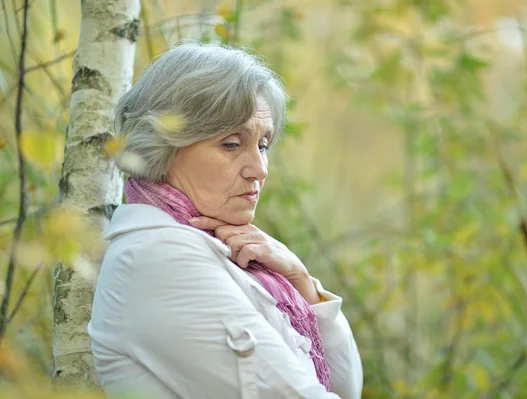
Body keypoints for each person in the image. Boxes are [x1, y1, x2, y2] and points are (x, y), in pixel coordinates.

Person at [87, 42, 363, 399]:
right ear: (163, 146)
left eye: (262, 145)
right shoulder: (158, 256)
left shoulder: (214, 247)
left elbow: (347, 387)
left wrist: (300, 282)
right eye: (232, 144)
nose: (259, 169)